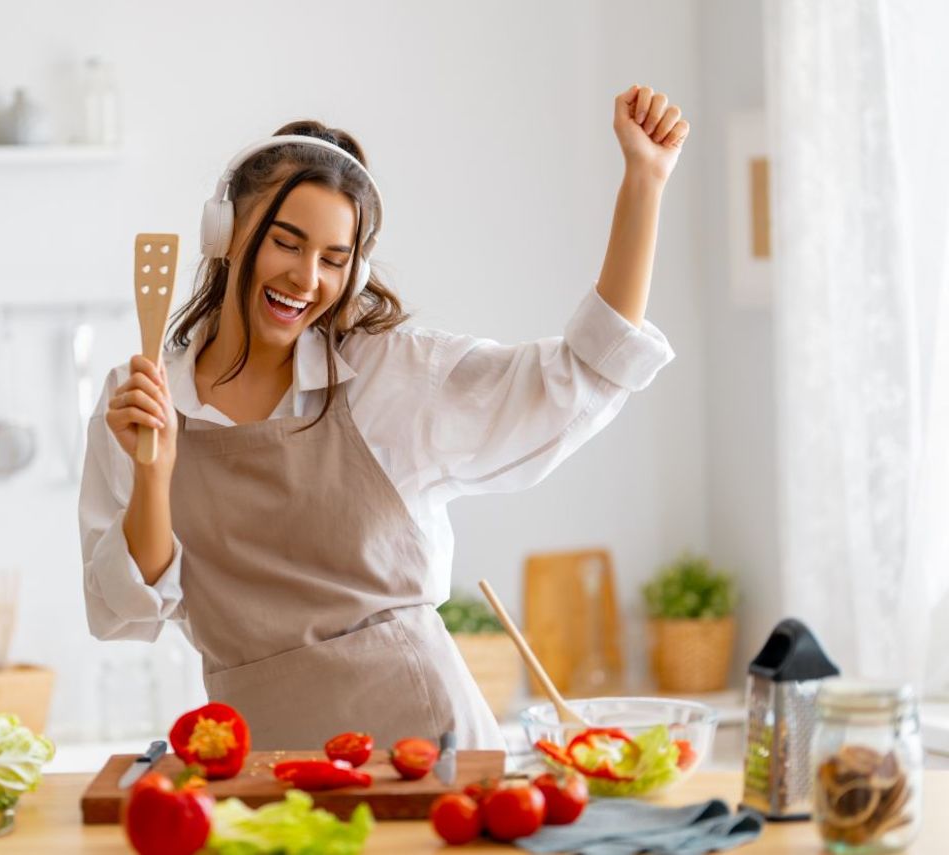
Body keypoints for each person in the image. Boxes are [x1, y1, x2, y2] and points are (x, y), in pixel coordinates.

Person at [80, 85, 687, 750]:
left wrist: (644, 181)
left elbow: (576, 378)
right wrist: (153, 474)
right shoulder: (140, 399)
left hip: (430, 751)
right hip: (264, 765)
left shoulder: (391, 377)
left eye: (334, 260)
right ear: (223, 232)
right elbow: (124, 611)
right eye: (287, 242)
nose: (307, 278)